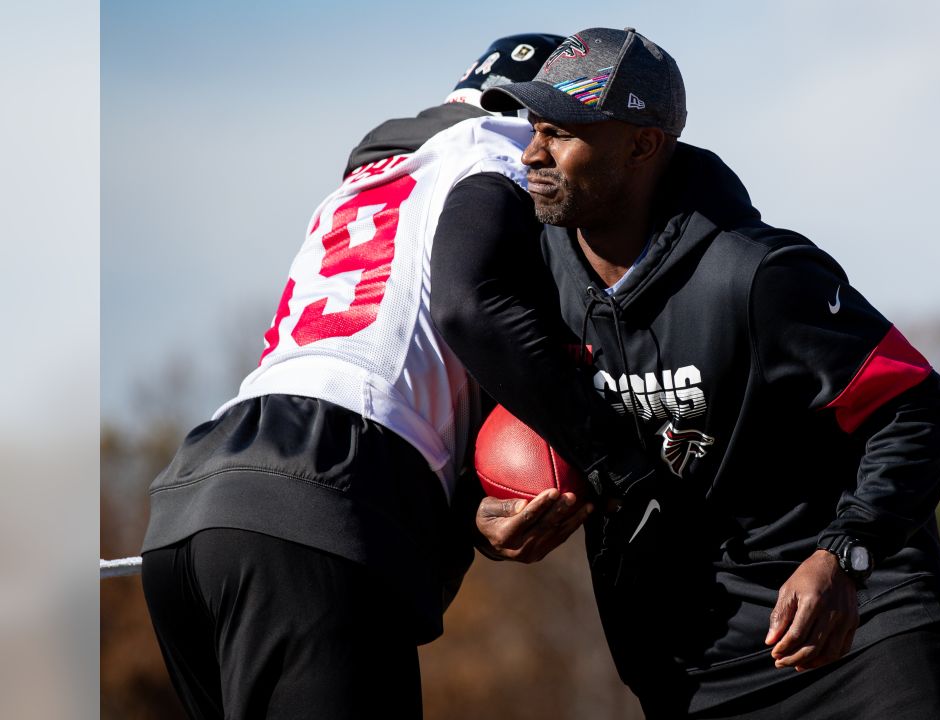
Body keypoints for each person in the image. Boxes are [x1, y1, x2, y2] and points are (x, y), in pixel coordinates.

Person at [474, 27, 940, 719]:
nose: (532, 153)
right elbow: (494, 439)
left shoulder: (756, 275)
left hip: (861, 643)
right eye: (533, 127)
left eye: (561, 132)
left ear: (642, 144)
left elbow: (920, 408)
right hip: (695, 675)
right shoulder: (537, 288)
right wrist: (485, 522)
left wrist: (846, 557)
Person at [138, 32, 639, 719]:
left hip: (199, 499)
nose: (549, 149)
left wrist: (471, 517)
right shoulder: (494, 146)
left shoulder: (368, 181)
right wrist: (619, 459)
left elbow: (399, 359)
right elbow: (470, 305)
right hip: (319, 499)